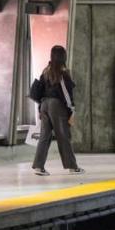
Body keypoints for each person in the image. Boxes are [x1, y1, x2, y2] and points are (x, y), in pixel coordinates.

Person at [32, 45, 84, 176]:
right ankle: (72, 167)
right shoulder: (63, 73)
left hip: (44, 104)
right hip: (56, 106)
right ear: (63, 57)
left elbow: (40, 91)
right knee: (63, 136)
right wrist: (72, 110)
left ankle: (39, 166)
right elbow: (66, 94)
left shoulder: (46, 71)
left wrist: (40, 109)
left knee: (44, 136)